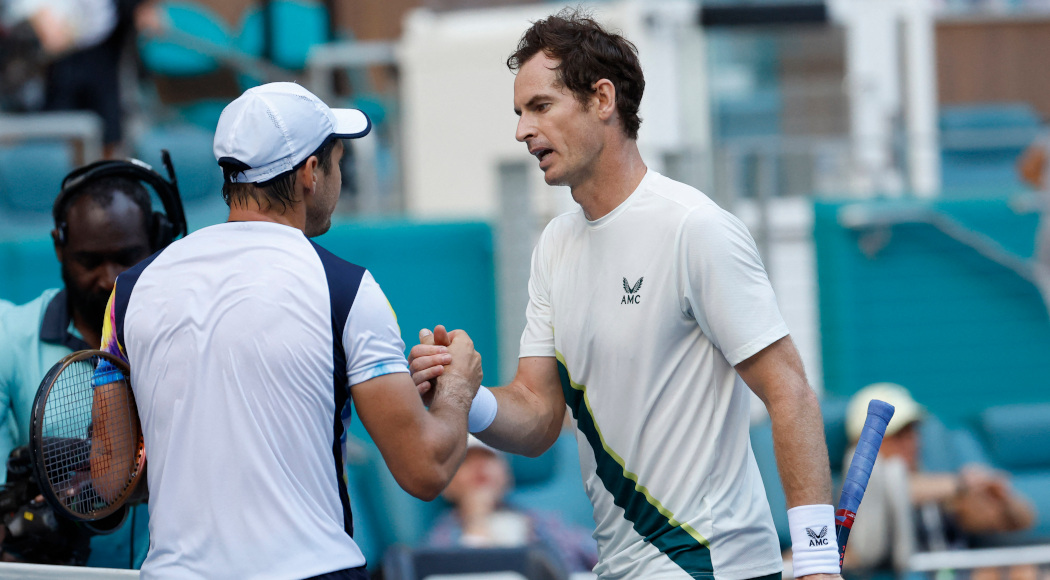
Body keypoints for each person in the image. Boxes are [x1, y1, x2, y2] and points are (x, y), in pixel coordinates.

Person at [410, 10, 842, 580]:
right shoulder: (554, 246)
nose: (522, 131)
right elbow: (539, 417)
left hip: (710, 564)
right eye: (519, 113)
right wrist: (466, 397)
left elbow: (789, 392)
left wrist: (817, 561)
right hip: (619, 566)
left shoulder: (694, 228)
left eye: (540, 106)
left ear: (602, 99)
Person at [94, 81, 484, 579]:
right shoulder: (347, 289)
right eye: (338, 162)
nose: (338, 177)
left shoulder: (129, 292)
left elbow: (111, 479)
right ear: (310, 173)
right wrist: (457, 389)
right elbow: (425, 470)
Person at [0, 158, 171, 566]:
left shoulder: (189, 341)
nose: (109, 278)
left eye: (126, 258)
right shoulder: (10, 336)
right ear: (59, 247)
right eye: (89, 261)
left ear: (158, 241)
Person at [842, 383, 1034, 575]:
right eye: (897, 435)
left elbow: (1018, 521)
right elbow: (892, 489)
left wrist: (1001, 496)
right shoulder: (852, 494)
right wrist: (961, 483)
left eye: (911, 432)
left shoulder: (940, 487)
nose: (909, 442)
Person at [424, 435, 598, 574]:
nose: (479, 466)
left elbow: (602, 556)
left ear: (507, 476)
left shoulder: (545, 523)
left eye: (488, 458)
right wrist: (476, 522)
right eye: (465, 461)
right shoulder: (441, 538)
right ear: (446, 486)